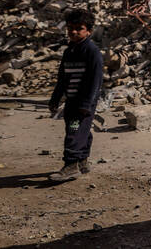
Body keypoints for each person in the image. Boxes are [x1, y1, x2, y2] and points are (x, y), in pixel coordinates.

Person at [48, 9, 103, 182]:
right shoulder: (69, 52)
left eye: (79, 28)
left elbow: (95, 81)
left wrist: (86, 104)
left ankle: (71, 165)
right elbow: (62, 79)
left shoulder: (92, 51)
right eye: (70, 28)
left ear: (89, 31)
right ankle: (82, 162)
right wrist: (55, 98)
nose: (73, 32)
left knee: (74, 131)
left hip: (84, 103)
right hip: (72, 101)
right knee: (81, 130)